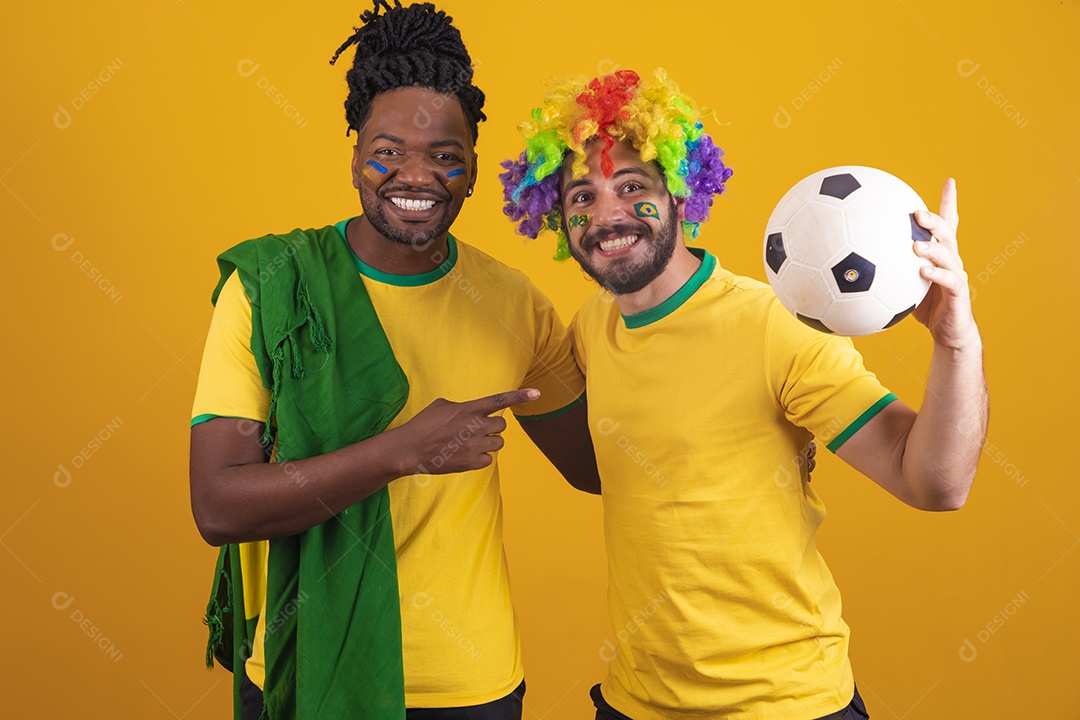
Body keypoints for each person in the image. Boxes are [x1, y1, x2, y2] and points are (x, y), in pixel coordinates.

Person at [500, 69, 988, 720]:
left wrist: (958, 343)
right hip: (633, 704)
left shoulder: (771, 324)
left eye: (632, 187)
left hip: (784, 705)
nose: (607, 212)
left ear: (679, 193)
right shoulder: (594, 327)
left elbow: (935, 483)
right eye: (580, 196)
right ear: (557, 218)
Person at [189, 3, 597, 719]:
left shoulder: (513, 303)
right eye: (388, 151)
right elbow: (219, 504)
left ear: (473, 170)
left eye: (446, 156)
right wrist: (403, 451)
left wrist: (749, 420)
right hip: (304, 660)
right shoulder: (271, 289)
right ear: (354, 157)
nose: (416, 175)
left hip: (467, 687)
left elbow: (601, 466)